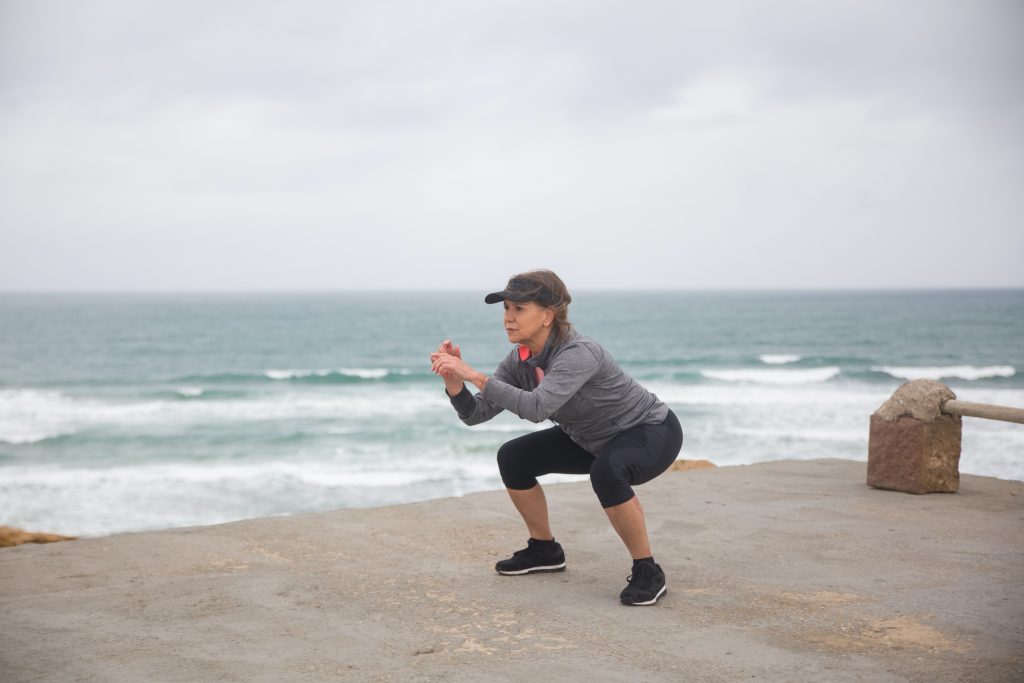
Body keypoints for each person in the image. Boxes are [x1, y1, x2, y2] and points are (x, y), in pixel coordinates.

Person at [430, 269, 683, 605]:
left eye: (519, 309)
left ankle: (648, 570)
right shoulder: (520, 360)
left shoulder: (578, 353)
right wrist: (454, 383)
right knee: (513, 458)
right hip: (589, 438)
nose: (508, 318)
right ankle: (544, 549)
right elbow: (476, 414)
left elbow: (537, 408)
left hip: (649, 431)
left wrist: (475, 375)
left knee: (607, 471)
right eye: (506, 308)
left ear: (548, 315)